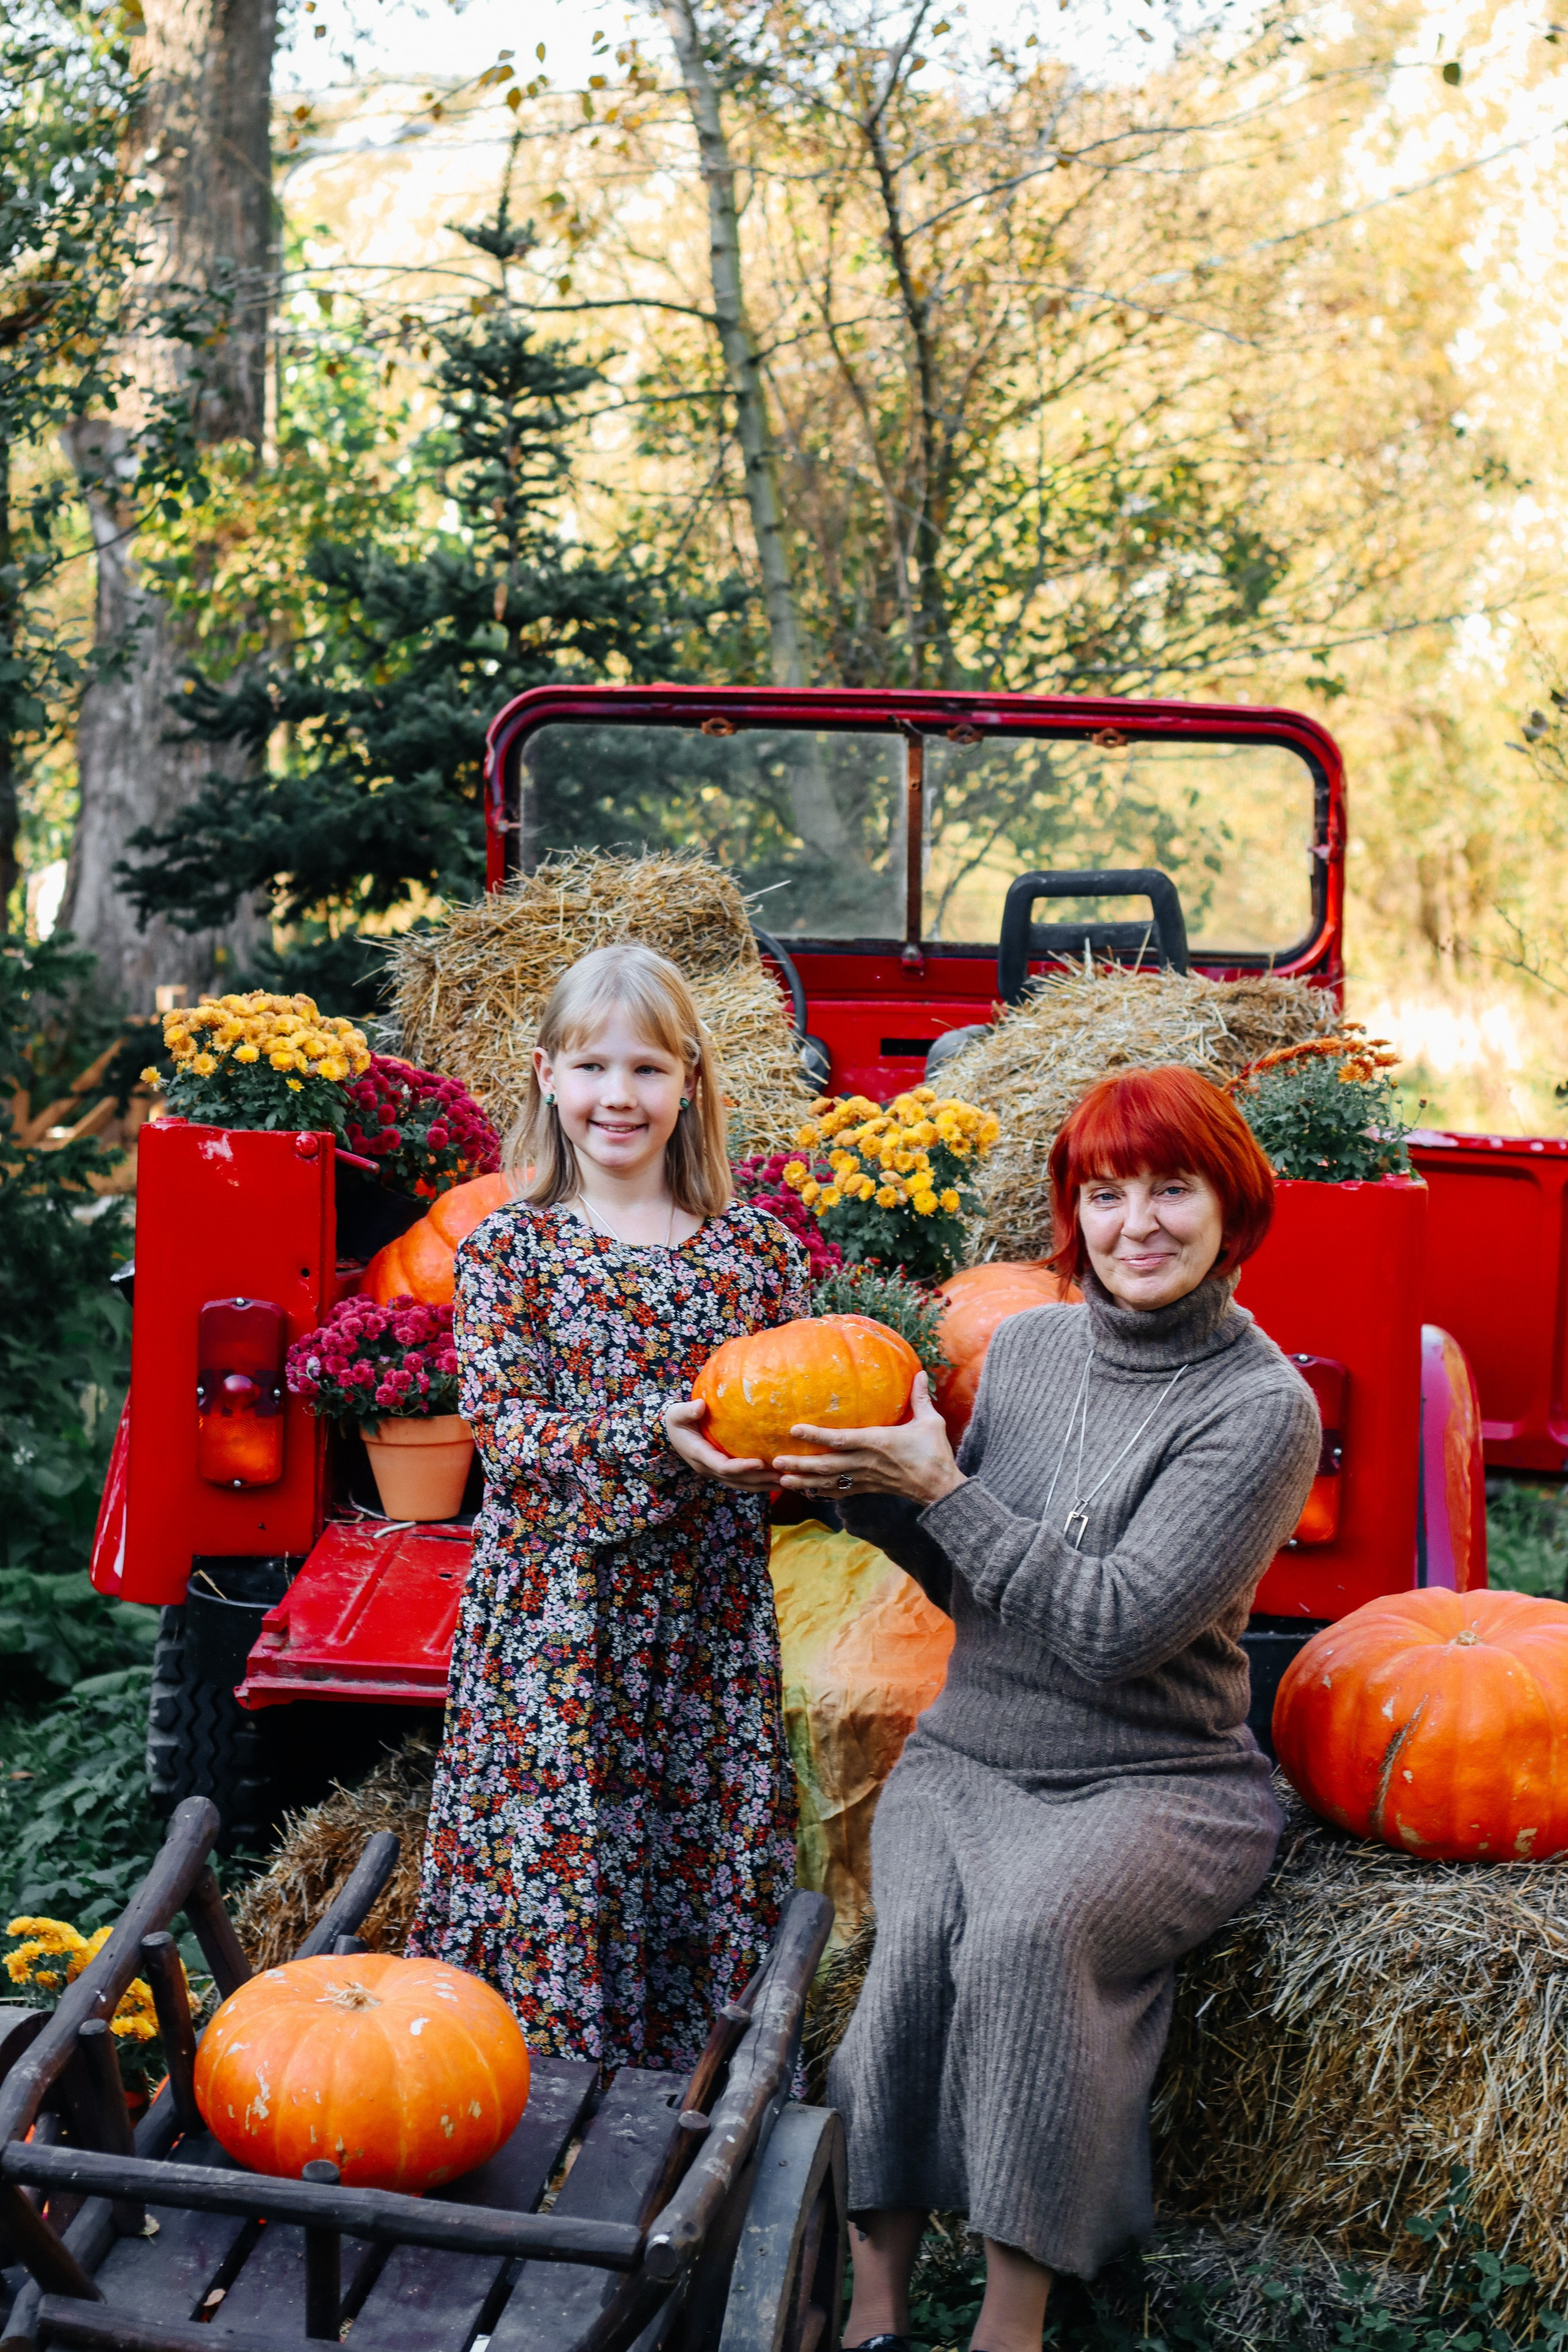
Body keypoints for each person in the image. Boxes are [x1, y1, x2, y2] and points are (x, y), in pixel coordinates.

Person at [770, 1064, 1321, 2352]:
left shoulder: (1259, 1411)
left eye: (1169, 1189)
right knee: (906, 1960)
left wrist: (943, 1485)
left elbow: (1113, 1629)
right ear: (1072, 1215)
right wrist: (844, 1484)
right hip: (968, 1757)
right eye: (1105, 1192)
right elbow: (975, 1578)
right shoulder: (1019, 1348)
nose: (1137, 1224)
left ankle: (1008, 2324)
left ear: (1228, 1206)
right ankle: (874, 2310)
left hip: (1155, 1782)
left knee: (1026, 1934)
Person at [409, 942, 810, 2072]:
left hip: (703, 1618)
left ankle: (693, 2112)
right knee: (560, 1857)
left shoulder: (756, 1255)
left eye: (646, 1069)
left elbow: (790, 1412)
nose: (618, 1098)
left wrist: (807, 1459)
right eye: (592, 1068)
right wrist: (656, 1434)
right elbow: (508, 1430)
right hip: (558, 1623)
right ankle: (528, 2104)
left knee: (695, 1845)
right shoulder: (512, 1250)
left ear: (691, 1080)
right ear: (546, 1076)